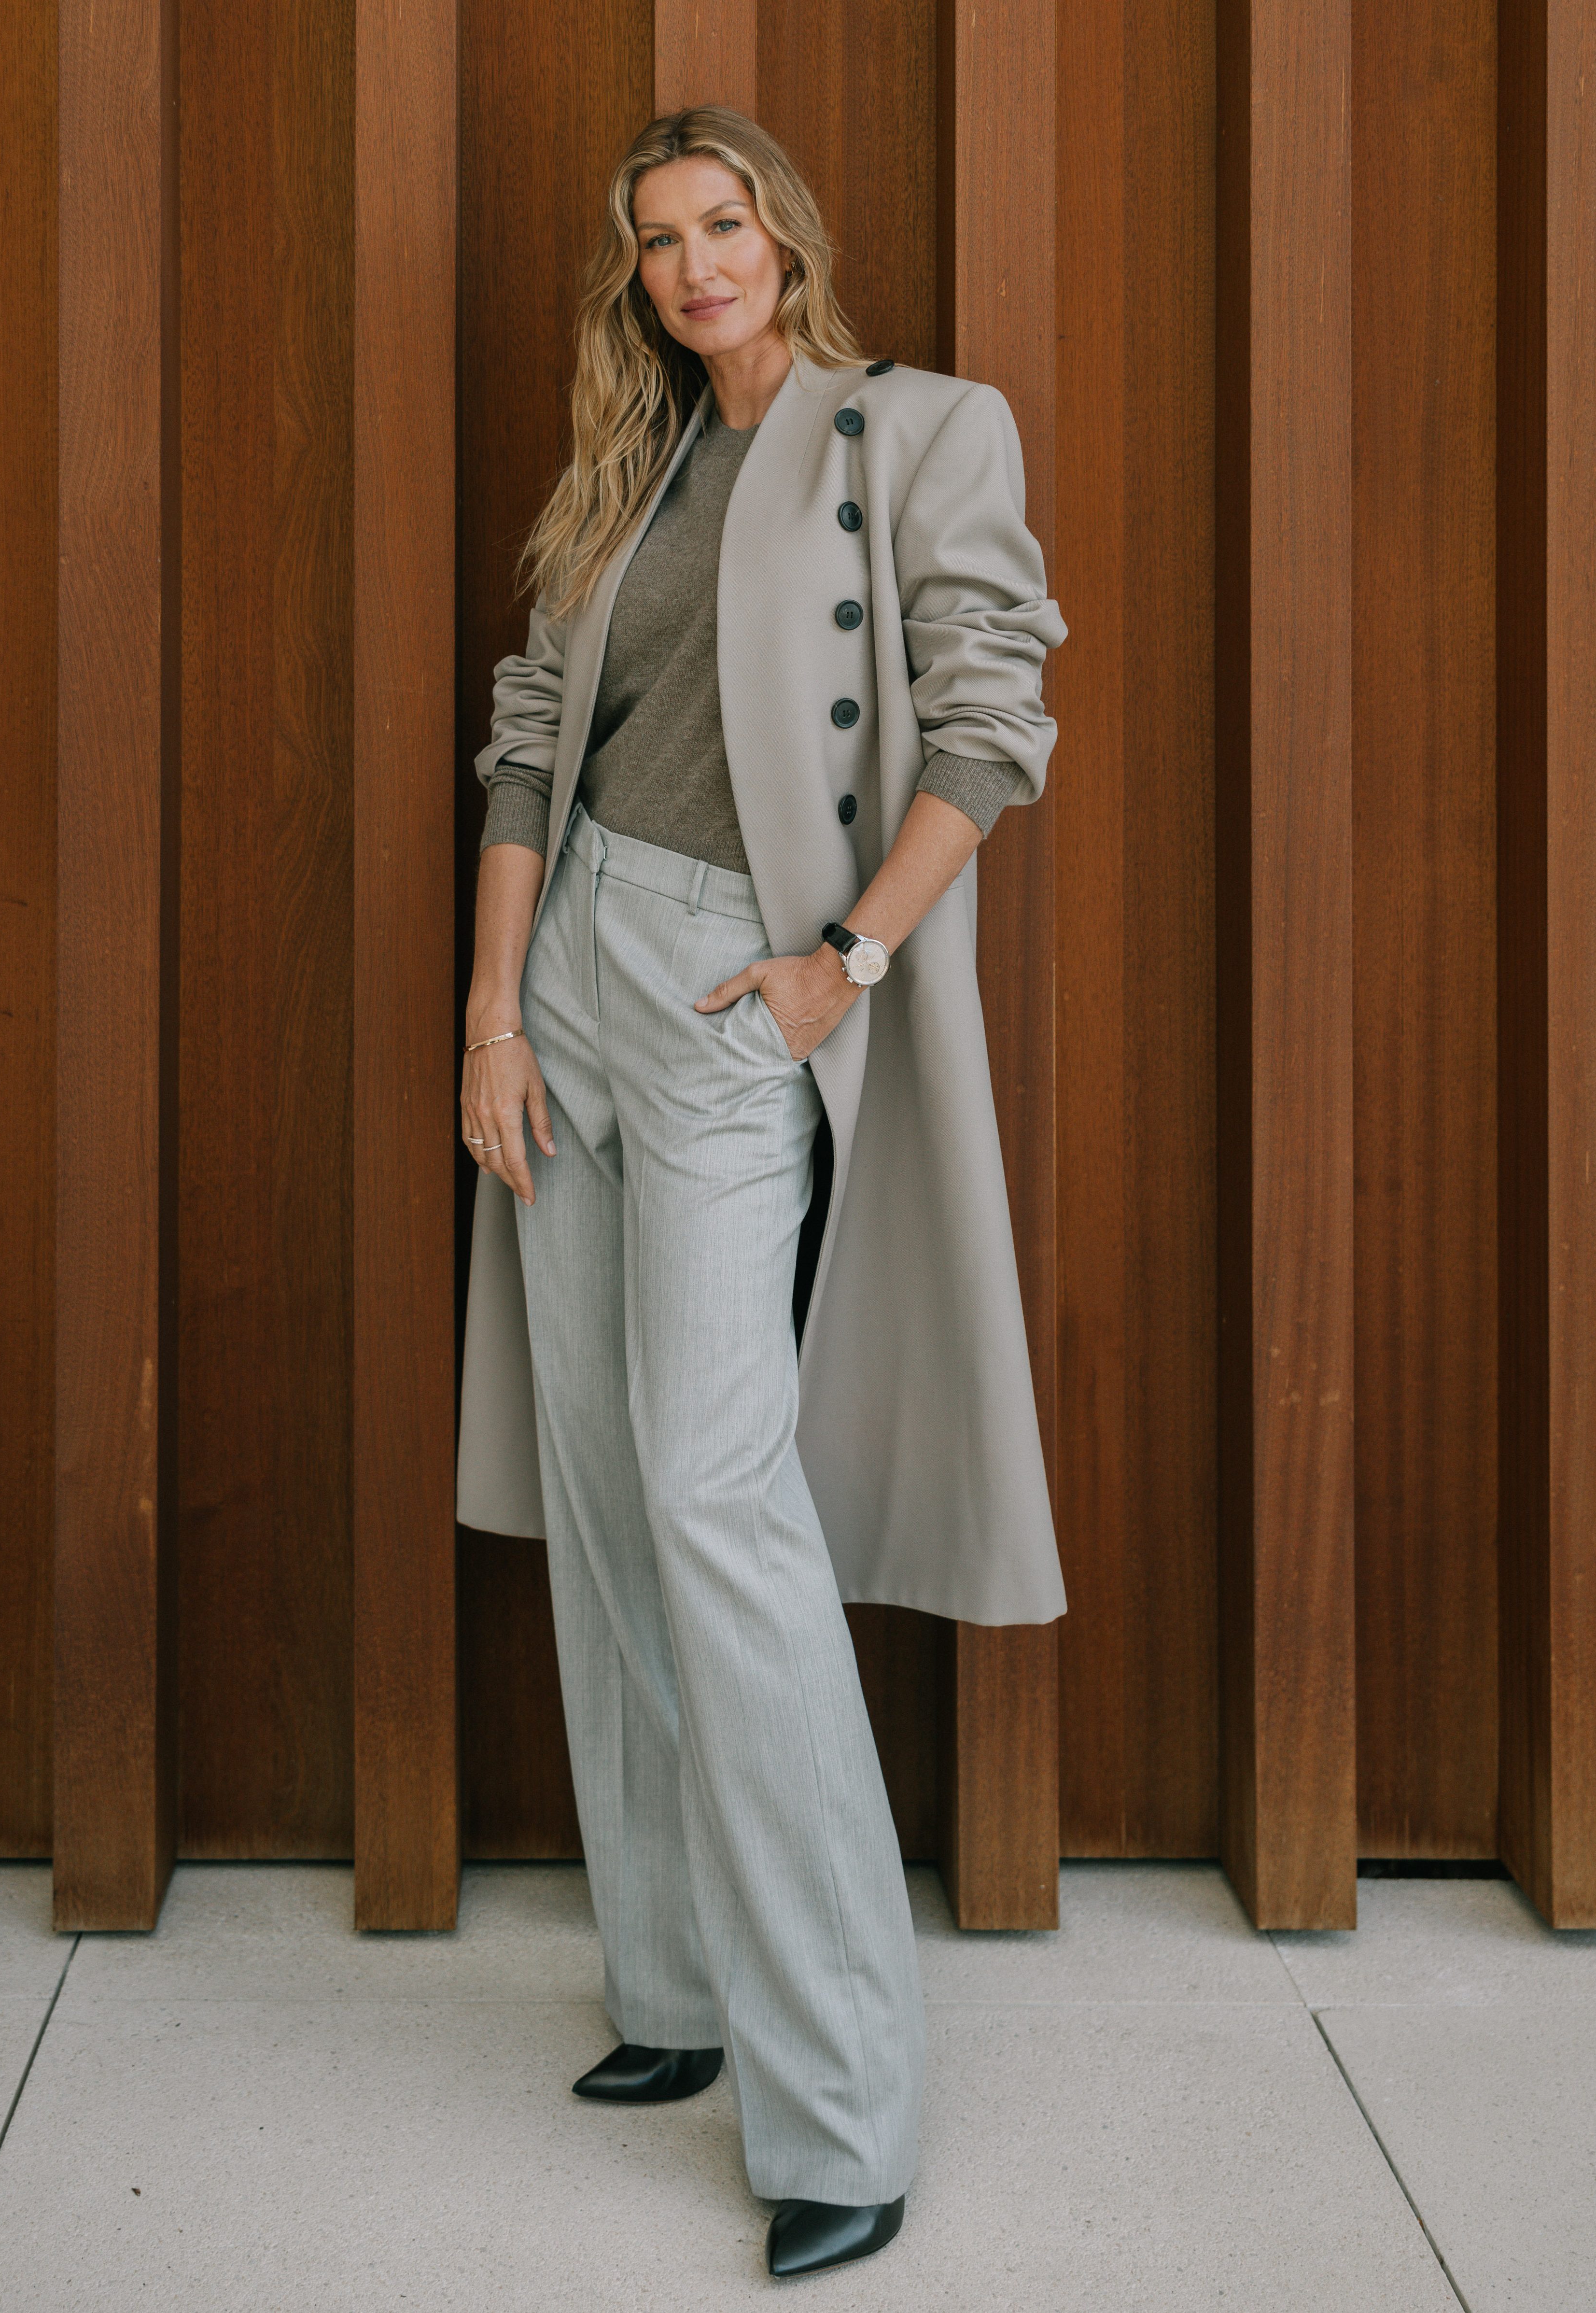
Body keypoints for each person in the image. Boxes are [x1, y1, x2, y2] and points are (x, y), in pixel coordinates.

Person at [456, 105, 1067, 2281]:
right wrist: (491, 1015)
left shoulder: (912, 432)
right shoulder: (620, 475)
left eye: (723, 225)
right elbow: (530, 734)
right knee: (610, 1479)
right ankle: (681, 1994)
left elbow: (992, 719)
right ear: (634, 279)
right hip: (574, 982)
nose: (696, 263)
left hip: (739, 984)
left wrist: (847, 966)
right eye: (659, 240)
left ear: (784, 240)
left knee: (720, 1488)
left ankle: (838, 2103)